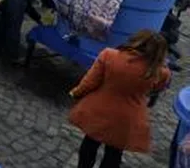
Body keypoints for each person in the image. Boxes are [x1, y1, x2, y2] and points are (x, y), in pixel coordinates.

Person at [69, 29, 171, 168]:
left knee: (90, 144)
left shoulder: (109, 55)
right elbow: (156, 89)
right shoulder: (161, 72)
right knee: (114, 153)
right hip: (128, 119)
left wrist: (76, 93)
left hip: (100, 109)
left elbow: (90, 82)